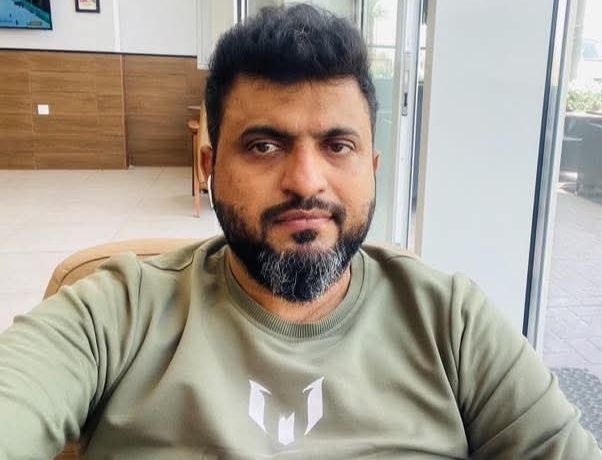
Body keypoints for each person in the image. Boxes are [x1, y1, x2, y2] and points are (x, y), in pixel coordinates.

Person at [0, 4, 601, 460]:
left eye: (338, 145)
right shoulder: (116, 313)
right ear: (210, 167)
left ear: (372, 169)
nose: (306, 181)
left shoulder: (453, 322)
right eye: (264, 145)